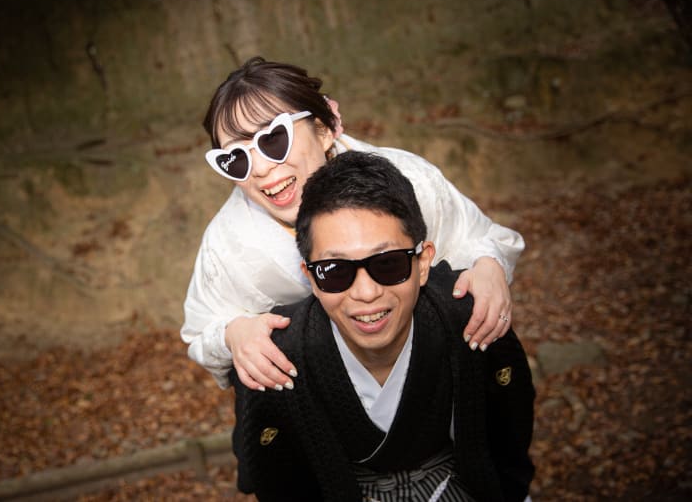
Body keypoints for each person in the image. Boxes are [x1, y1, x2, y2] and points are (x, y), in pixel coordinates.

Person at [181, 57, 524, 391]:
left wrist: (488, 264)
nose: (259, 168)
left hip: (439, 373)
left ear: (323, 130)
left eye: (273, 139)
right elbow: (201, 328)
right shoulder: (227, 246)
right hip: (322, 401)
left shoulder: (411, 181)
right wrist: (234, 334)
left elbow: (477, 236)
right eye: (235, 158)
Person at [230, 151, 535, 501]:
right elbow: (269, 474)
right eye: (334, 271)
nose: (366, 292)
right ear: (310, 277)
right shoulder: (274, 357)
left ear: (424, 263)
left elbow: (510, 433)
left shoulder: (471, 319)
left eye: (388, 264)